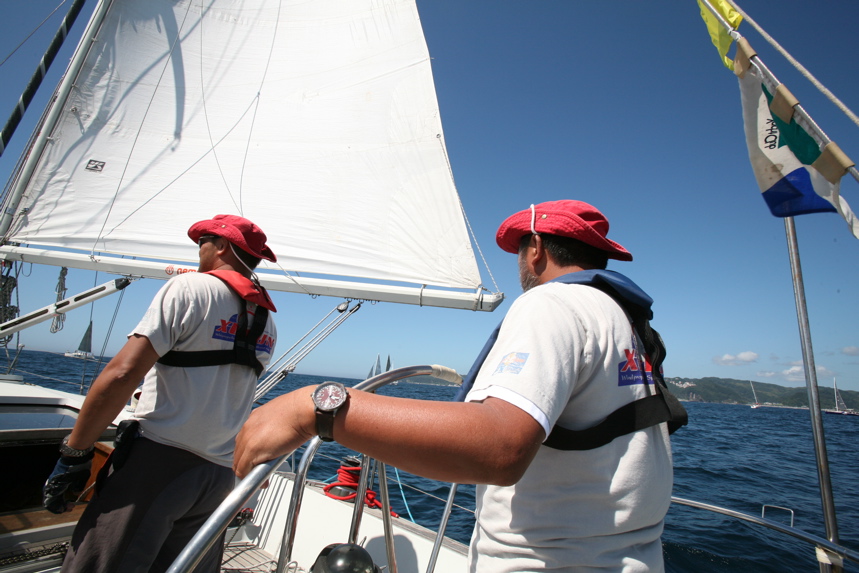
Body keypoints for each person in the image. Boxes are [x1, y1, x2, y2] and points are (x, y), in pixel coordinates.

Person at [233, 200, 674, 572]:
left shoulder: (552, 302)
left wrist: (315, 408)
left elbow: (500, 447)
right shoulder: (623, 321)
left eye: (519, 250)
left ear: (536, 249)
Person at [44, 214, 278, 573]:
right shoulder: (266, 320)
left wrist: (74, 453)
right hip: (217, 477)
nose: (198, 249)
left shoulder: (190, 288)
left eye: (202, 242)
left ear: (222, 246)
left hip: (158, 466)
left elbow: (123, 373)